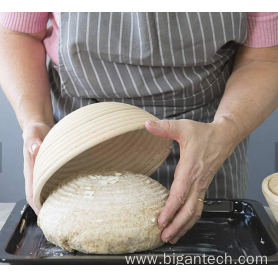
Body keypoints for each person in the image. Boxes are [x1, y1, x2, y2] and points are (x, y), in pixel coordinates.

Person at [0, 12, 278, 245]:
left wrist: (224, 129)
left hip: (203, 136)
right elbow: (16, 33)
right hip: (80, 142)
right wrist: (35, 121)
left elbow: (265, 57)